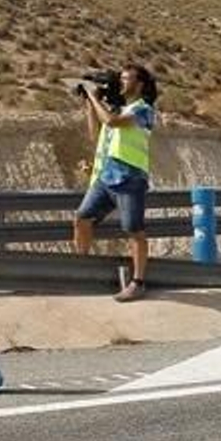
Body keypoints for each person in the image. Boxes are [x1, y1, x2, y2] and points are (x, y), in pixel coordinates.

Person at [73, 63, 158, 301]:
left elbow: (111, 122)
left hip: (130, 178)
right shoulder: (118, 110)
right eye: (120, 78)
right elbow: (96, 133)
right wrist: (90, 103)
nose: (121, 82)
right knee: (81, 219)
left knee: (134, 230)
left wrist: (93, 95)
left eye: (126, 78)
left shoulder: (143, 110)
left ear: (139, 84)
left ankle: (138, 283)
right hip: (105, 178)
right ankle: (81, 268)